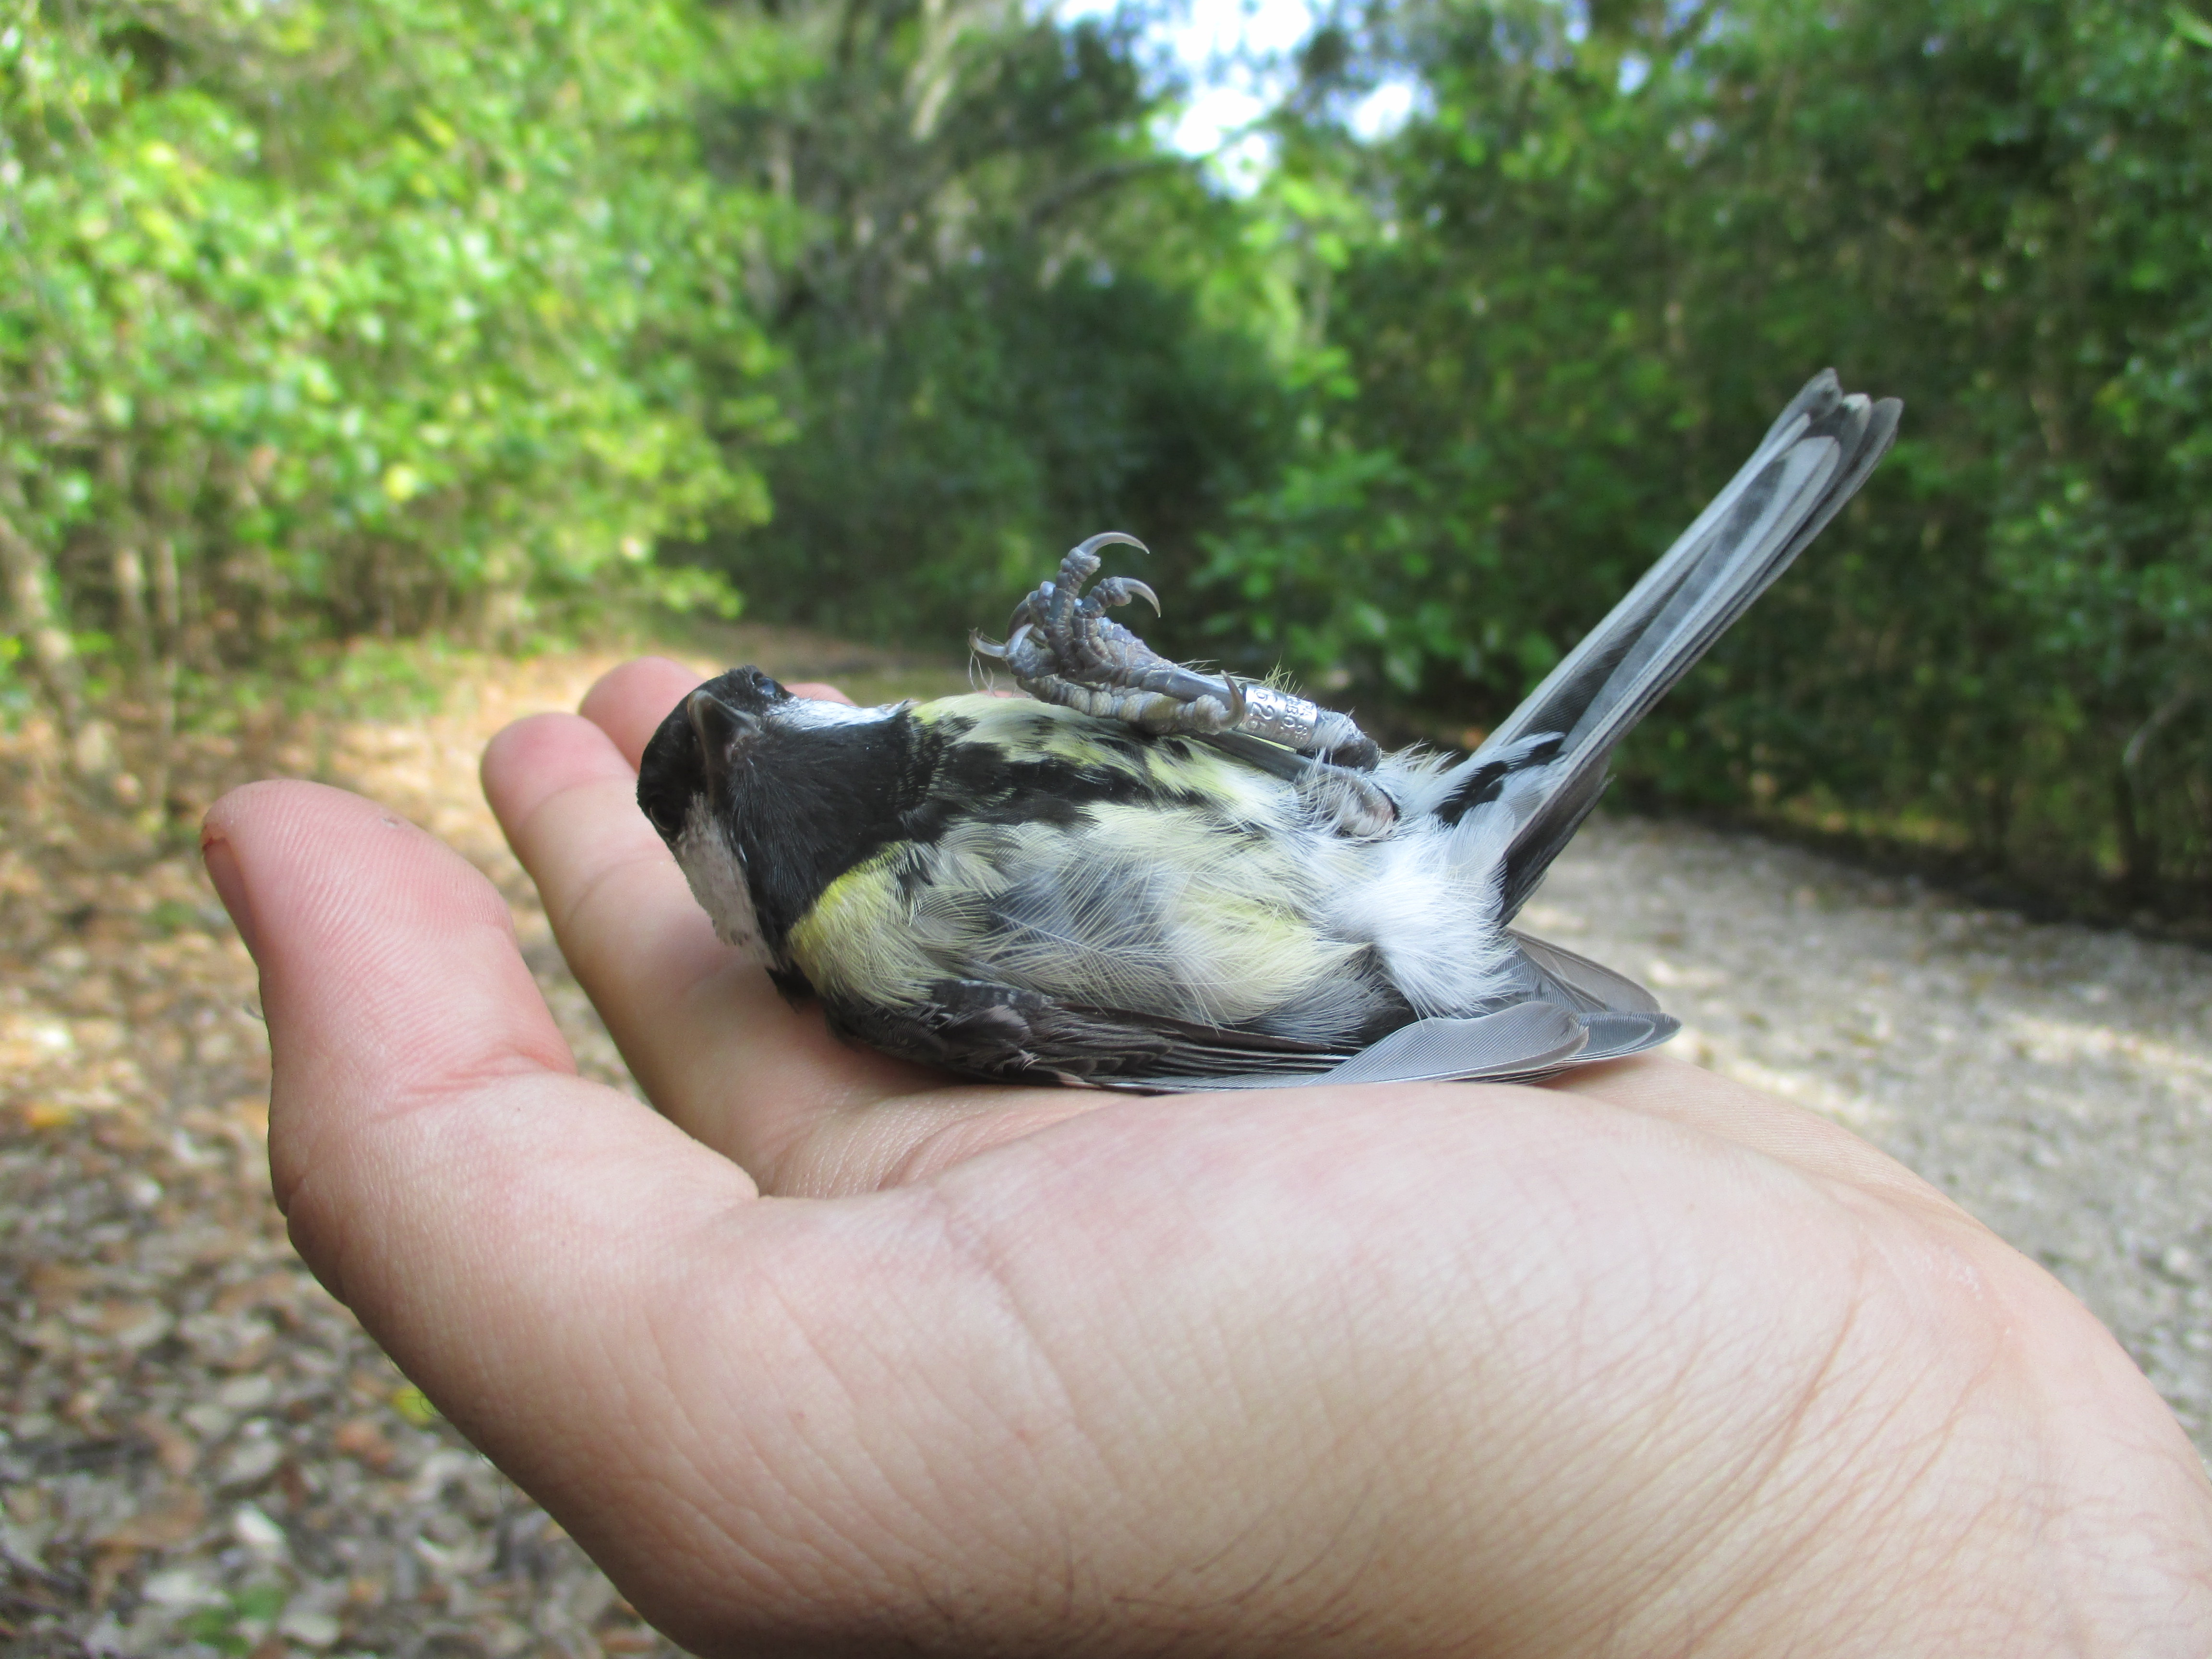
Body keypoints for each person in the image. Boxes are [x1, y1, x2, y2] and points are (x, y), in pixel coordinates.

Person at [199, 657, 2212, 1656]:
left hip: (1367, 908)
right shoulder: (932, 755)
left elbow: (1202, 1012)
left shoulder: (860, 929)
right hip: (1367, 858)